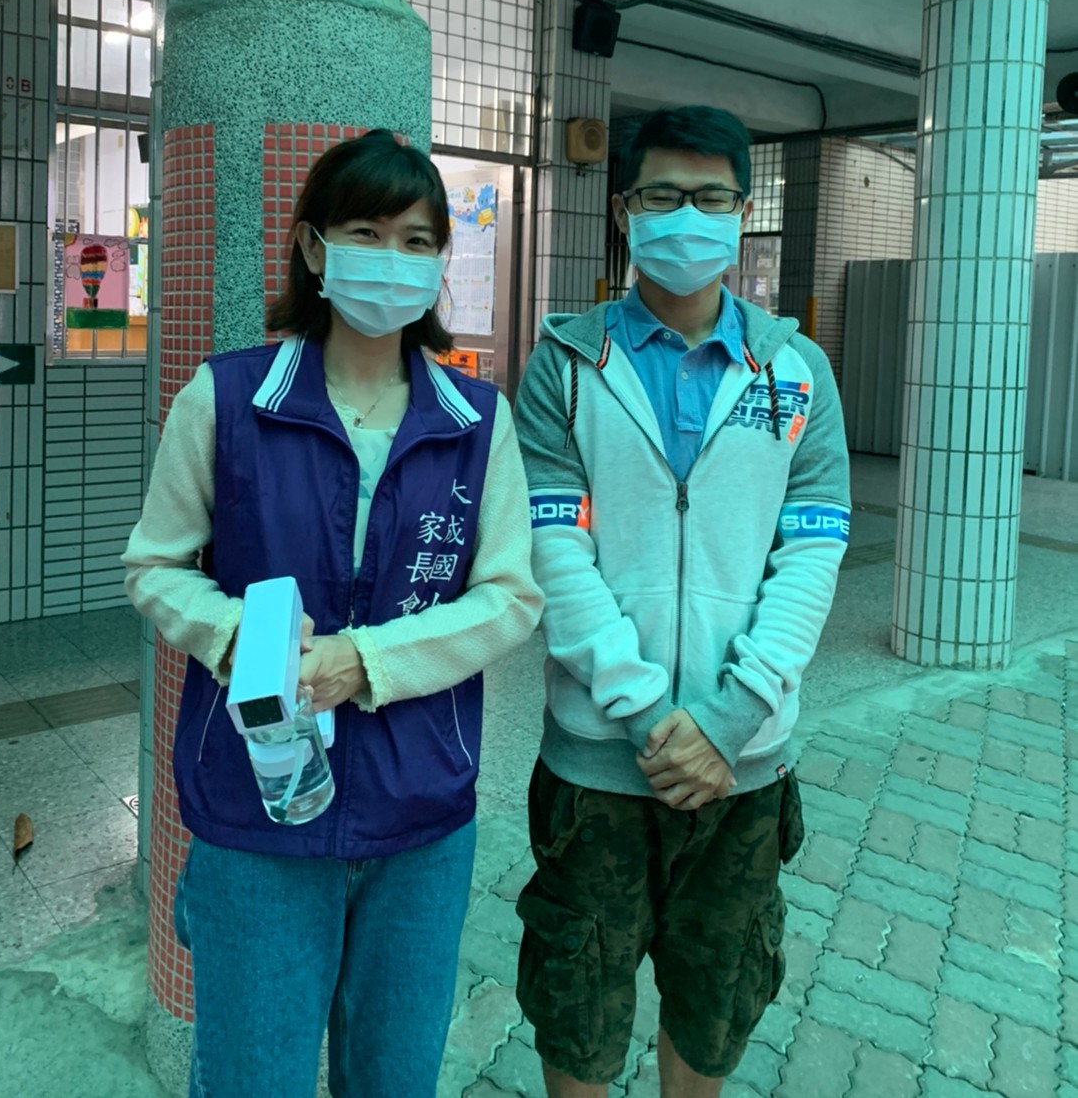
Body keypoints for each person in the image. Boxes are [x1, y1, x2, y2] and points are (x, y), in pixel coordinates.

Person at [123, 129, 543, 1098]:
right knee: (252, 1078)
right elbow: (154, 565)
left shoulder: (479, 421)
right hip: (257, 810)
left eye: (417, 240)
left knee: (395, 1078)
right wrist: (237, 635)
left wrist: (367, 661)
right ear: (314, 248)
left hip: (421, 817)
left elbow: (510, 595)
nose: (392, 260)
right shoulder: (227, 398)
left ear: (440, 262)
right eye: (366, 232)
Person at [512, 106, 851, 1097]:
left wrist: (728, 719)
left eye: (712, 197)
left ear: (743, 213)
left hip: (742, 772)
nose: (687, 216)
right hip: (595, 770)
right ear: (625, 211)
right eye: (664, 195)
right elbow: (554, 550)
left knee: (714, 1004)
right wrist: (648, 713)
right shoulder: (565, 364)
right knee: (577, 1007)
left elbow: (811, 555)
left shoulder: (796, 373)